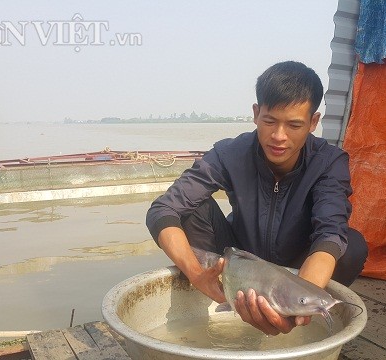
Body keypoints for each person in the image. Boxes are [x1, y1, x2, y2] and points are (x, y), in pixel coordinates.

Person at [146, 61, 367, 336]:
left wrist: (295, 298)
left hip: (296, 265)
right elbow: (162, 209)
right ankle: (217, 296)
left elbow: (329, 232)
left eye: (294, 125)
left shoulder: (329, 162)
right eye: (269, 121)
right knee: (190, 209)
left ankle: (301, 317)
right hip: (240, 259)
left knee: (352, 246)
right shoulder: (230, 153)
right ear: (255, 114)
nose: (278, 136)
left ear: (313, 122)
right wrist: (195, 273)